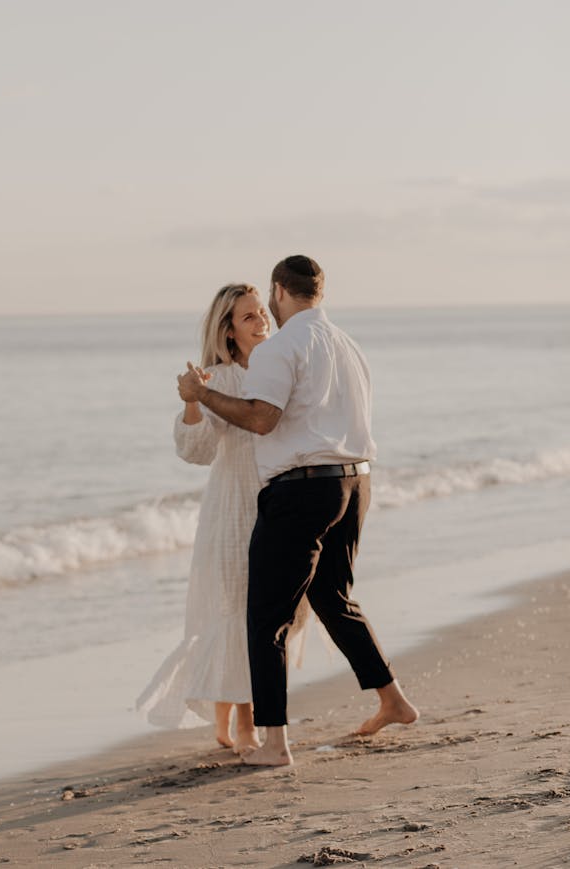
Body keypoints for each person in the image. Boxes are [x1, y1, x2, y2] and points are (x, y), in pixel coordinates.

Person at [177, 255, 419, 766]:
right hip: (355, 483)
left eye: (266, 304)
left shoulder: (282, 347)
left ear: (279, 292)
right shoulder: (348, 345)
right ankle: (392, 698)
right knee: (333, 598)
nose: (265, 314)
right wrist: (200, 400)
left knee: (266, 620)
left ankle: (274, 744)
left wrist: (203, 394)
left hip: (303, 490)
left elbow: (262, 420)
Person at [137, 283, 306, 753]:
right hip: (234, 506)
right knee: (235, 609)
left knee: (272, 612)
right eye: (249, 317)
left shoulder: (281, 369)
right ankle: (241, 721)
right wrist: (193, 399)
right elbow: (196, 451)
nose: (262, 322)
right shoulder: (217, 378)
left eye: (261, 313)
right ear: (229, 332)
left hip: (282, 500)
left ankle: (246, 715)